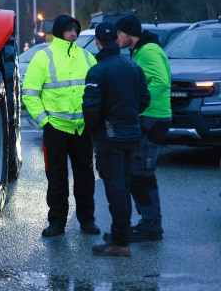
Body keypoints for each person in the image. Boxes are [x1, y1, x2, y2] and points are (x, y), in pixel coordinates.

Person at [22, 14, 100, 237]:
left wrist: (91, 119)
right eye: (68, 30)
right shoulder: (43, 57)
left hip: (81, 129)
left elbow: (97, 90)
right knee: (56, 179)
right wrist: (45, 122)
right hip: (55, 129)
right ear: (58, 32)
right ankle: (57, 223)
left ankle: (87, 220)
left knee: (85, 178)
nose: (73, 33)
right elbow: (29, 94)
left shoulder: (86, 57)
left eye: (76, 29)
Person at [83, 23, 151, 257]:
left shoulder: (98, 70)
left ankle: (120, 242)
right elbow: (145, 99)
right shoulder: (133, 67)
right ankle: (120, 235)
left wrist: (95, 129)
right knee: (124, 187)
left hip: (110, 138)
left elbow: (90, 109)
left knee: (116, 190)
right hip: (131, 135)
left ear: (98, 42)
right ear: (116, 41)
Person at [116, 14, 171, 241]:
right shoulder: (140, 51)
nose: (118, 37)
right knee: (139, 172)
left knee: (142, 173)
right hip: (150, 116)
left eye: (120, 33)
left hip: (152, 117)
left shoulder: (147, 51)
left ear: (128, 33)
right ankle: (148, 221)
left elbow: (161, 81)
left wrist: (139, 103)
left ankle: (151, 224)